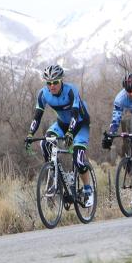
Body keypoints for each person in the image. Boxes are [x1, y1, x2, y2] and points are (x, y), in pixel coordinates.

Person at [25, 65, 94, 207]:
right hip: (62, 124)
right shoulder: (43, 94)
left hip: (80, 124)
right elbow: (37, 117)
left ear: (61, 80)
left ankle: (88, 190)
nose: (52, 86)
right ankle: (53, 171)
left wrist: (70, 132)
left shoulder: (71, 90)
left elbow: (75, 113)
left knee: (79, 159)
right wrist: (30, 134)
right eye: (49, 83)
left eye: (55, 82)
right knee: (45, 142)